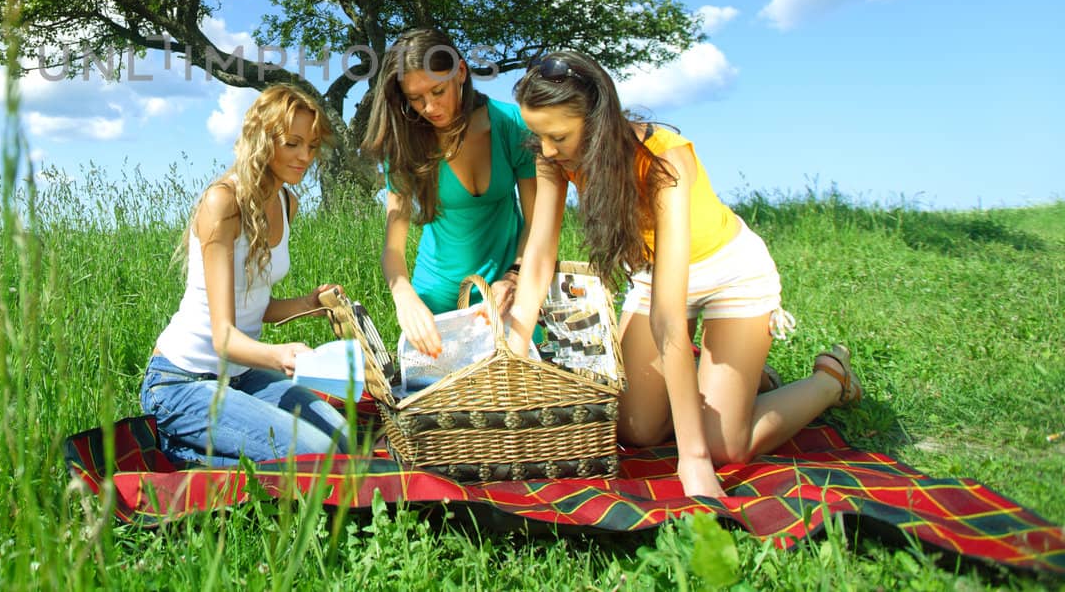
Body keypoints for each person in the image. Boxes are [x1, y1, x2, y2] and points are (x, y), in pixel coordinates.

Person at [508, 50, 864, 497]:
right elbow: (540, 253)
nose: (545, 149)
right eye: (538, 135)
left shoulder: (665, 159)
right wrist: (515, 344)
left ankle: (830, 379)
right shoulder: (554, 157)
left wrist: (692, 460)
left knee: (724, 446)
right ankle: (747, 377)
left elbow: (667, 316)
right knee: (636, 429)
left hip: (729, 275)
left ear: (598, 123)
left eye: (557, 136)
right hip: (655, 273)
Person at [141, 83, 352, 467]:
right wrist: (280, 355)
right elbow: (223, 337)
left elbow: (254, 306)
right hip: (184, 381)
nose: (306, 156)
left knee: (345, 443)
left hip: (243, 375)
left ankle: (213, 445)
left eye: (312, 145)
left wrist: (310, 304)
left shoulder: (288, 203)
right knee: (318, 458)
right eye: (293, 143)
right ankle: (177, 450)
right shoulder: (223, 202)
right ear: (263, 140)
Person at [362, 28, 539, 358]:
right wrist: (405, 298)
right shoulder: (404, 143)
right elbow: (393, 249)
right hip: (437, 299)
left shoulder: (511, 124)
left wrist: (514, 277)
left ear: (460, 71)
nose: (429, 107)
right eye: (415, 98)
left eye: (438, 91)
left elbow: (537, 223)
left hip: (508, 294)